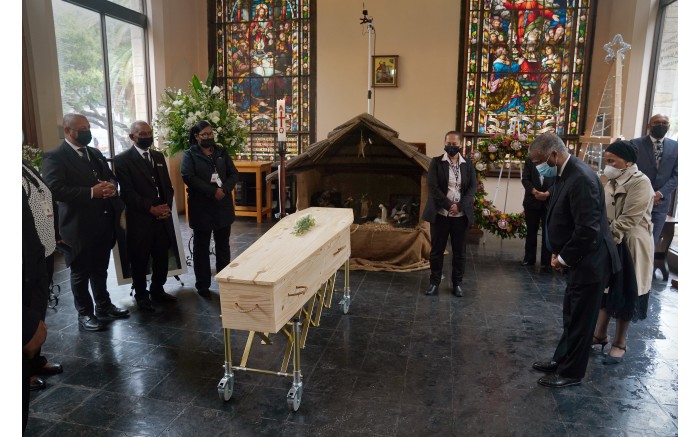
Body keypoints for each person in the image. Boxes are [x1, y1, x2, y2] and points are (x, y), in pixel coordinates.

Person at [529, 133, 620, 388]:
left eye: (539, 161)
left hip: (590, 261)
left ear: (554, 155)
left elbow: (587, 229)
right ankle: (561, 360)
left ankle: (572, 373)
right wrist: (558, 251)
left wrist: (565, 257)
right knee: (571, 314)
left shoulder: (580, 178)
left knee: (581, 320)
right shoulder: (565, 172)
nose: (538, 166)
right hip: (578, 259)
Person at [42, 113, 130, 332]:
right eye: (82, 128)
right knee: (80, 273)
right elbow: (55, 188)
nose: (87, 132)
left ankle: (103, 305)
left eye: (88, 127)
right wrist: (91, 192)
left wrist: (110, 186)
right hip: (77, 225)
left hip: (103, 222)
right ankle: (85, 314)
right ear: (68, 131)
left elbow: (110, 176)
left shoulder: (93, 153)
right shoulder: (55, 156)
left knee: (100, 269)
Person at [592, 141, 654, 364]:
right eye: (606, 160)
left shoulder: (641, 182)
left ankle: (620, 342)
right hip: (611, 240)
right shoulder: (611, 179)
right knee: (607, 291)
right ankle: (600, 335)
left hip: (630, 243)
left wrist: (606, 239)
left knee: (626, 291)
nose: (607, 165)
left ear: (628, 162)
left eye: (612, 161)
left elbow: (629, 219)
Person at [114, 121, 178, 312]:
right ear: (132, 136)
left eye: (149, 133)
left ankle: (157, 289)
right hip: (140, 220)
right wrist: (151, 209)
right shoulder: (122, 160)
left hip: (161, 218)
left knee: (161, 257)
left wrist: (166, 206)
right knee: (139, 259)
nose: (147, 136)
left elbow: (167, 185)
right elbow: (127, 192)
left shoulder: (158, 156)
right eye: (142, 133)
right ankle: (142, 295)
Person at [181, 121, 239, 297]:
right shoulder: (190, 155)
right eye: (204, 135)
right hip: (202, 206)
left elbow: (233, 173)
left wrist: (224, 190)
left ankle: (224, 280)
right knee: (201, 247)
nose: (208, 137)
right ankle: (203, 284)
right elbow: (188, 177)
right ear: (196, 136)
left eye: (210, 134)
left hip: (223, 205)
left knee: (223, 245)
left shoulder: (221, 151)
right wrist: (212, 191)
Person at [22, 159, 60, 422]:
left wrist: (55, 233)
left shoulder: (23, 165)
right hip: (24, 262)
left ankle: (34, 360)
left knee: (37, 314)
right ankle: (25, 370)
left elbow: (43, 201)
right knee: (27, 317)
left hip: (42, 253)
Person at [422, 131, 477, 297]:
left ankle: (457, 283)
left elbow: (471, 189)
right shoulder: (436, 162)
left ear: (460, 144)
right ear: (444, 143)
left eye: (454, 144)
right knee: (437, 251)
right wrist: (448, 205)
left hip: (460, 216)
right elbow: (433, 187)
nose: (451, 147)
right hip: (440, 214)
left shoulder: (468, 164)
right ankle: (434, 283)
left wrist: (459, 207)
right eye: (448, 143)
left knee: (460, 252)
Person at [631, 113, 678, 246]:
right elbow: (630, 170)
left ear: (668, 126)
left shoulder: (676, 147)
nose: (661, 125)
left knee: (652, 243)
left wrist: (659, 194)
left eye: (664, 123)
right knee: (635, 242)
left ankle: (648, 267)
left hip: (660, 203)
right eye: (657, 122)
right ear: (649, 125)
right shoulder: (635, 144)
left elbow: (677, 175)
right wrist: (647, 193)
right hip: (638, 201)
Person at [520, 157, 554, 272]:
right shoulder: (530, 160)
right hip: (532, 201)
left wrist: (547, 193)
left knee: (547, 233)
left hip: (548, 202)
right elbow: (525, 179)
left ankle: (546, 262)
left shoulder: (554, 159)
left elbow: (558, 181)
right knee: (531, 231)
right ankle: (529, 258)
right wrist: (534, 192)